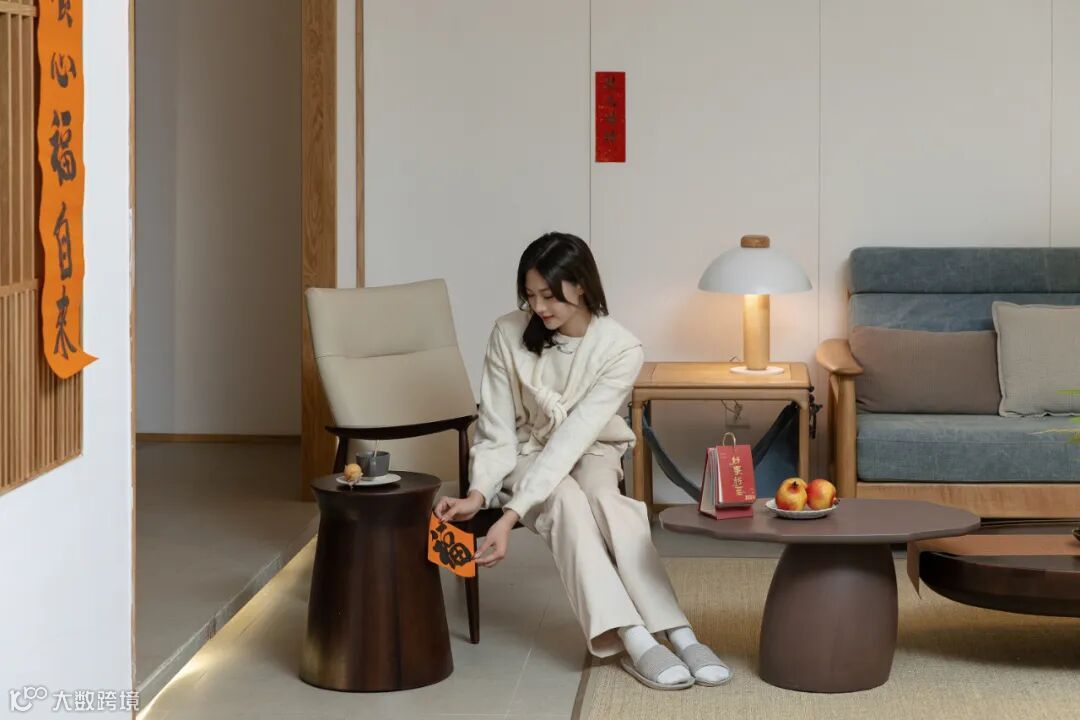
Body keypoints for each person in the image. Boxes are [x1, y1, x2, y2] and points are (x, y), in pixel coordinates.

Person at [435, 232, 730, 691]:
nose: (538, 307)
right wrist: (480, 495)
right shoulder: (507, 334)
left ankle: (679, 631)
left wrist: (510, 516)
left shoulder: (621, 348)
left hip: (592, 445)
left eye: (550, 295)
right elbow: (496, 428)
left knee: (607, 501)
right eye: (530, 295)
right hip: (526, 451)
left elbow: (575, 437)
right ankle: (633, 637)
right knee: (565, 503)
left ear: (583, 286)